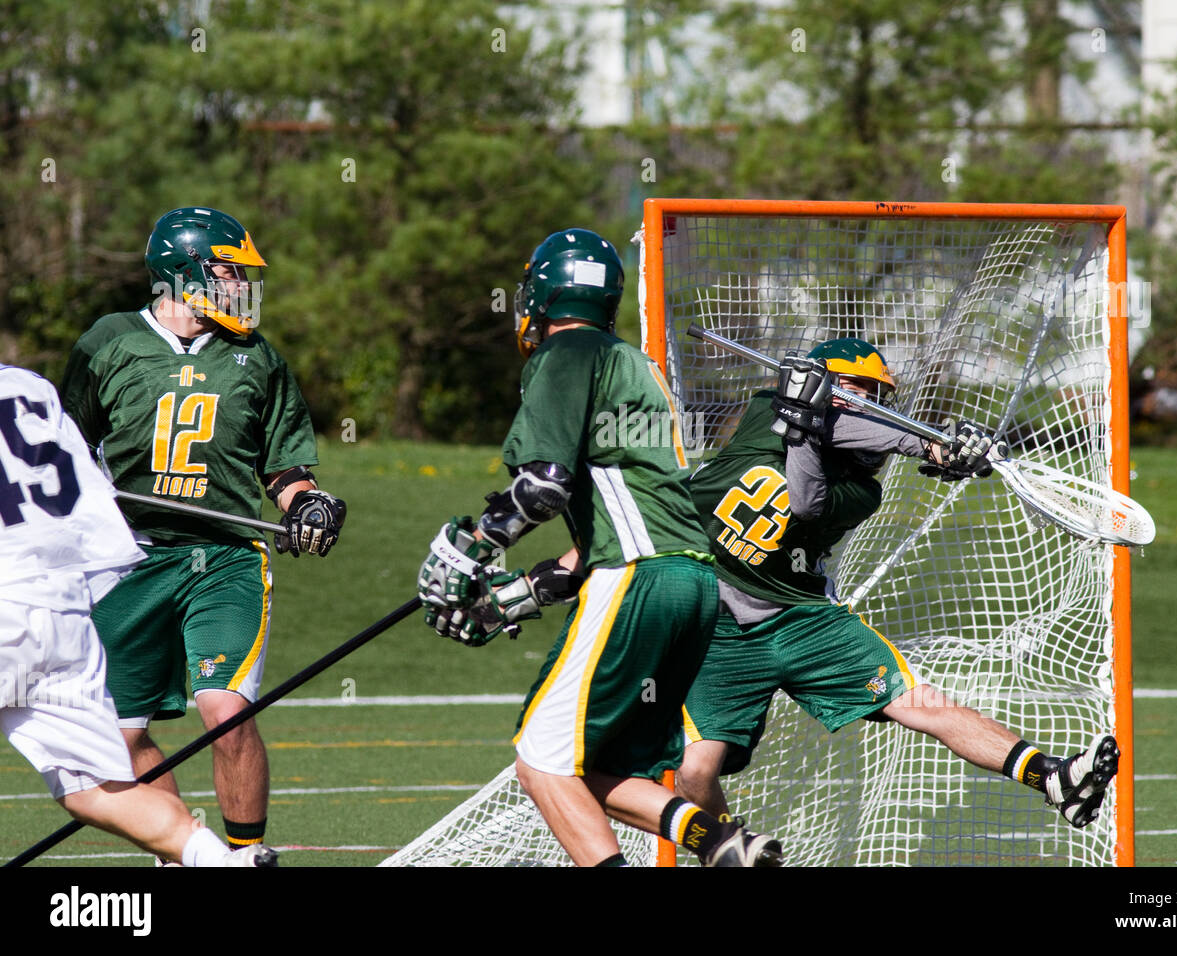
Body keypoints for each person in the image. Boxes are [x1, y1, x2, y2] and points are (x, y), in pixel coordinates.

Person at [416, 227, 782, 866]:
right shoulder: (633, 363)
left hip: (637, 578)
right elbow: (616, 517)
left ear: (542, 292)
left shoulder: (566, 356)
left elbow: (544, 485)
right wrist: (516, 597)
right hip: (690, 583)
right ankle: (722, 841)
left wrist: (469, 549)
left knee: (541, 762)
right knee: (595, 771)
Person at [675, 338, 1120, 831]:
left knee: (922, 702)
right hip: (720, 624)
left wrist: (937, 447)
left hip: (804, 619)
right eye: (856, 388)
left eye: (876, 394)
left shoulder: (861, 492)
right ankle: (728, 852)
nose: (869, 402)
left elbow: (811, 492)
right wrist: (925, 442)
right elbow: (830, 429)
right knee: (695, 771)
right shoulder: (767, 410)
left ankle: (1055, 777)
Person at [59, 207, 346, 854]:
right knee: (123, 739)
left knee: (226, 713)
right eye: (227, 268)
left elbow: (285, 467)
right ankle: (193, 852)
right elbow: (64, 448)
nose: (240, 282)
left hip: (226, 559)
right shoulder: (108, 341)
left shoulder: (256, 357)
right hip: (128, 560)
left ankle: (246, 854)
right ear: (181, 269)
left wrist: (307, 504)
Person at [0, 363, 275, 865]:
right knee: (97, 792)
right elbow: (92, 504)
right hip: (60, 610)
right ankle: (223, 862)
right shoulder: (28, 387)